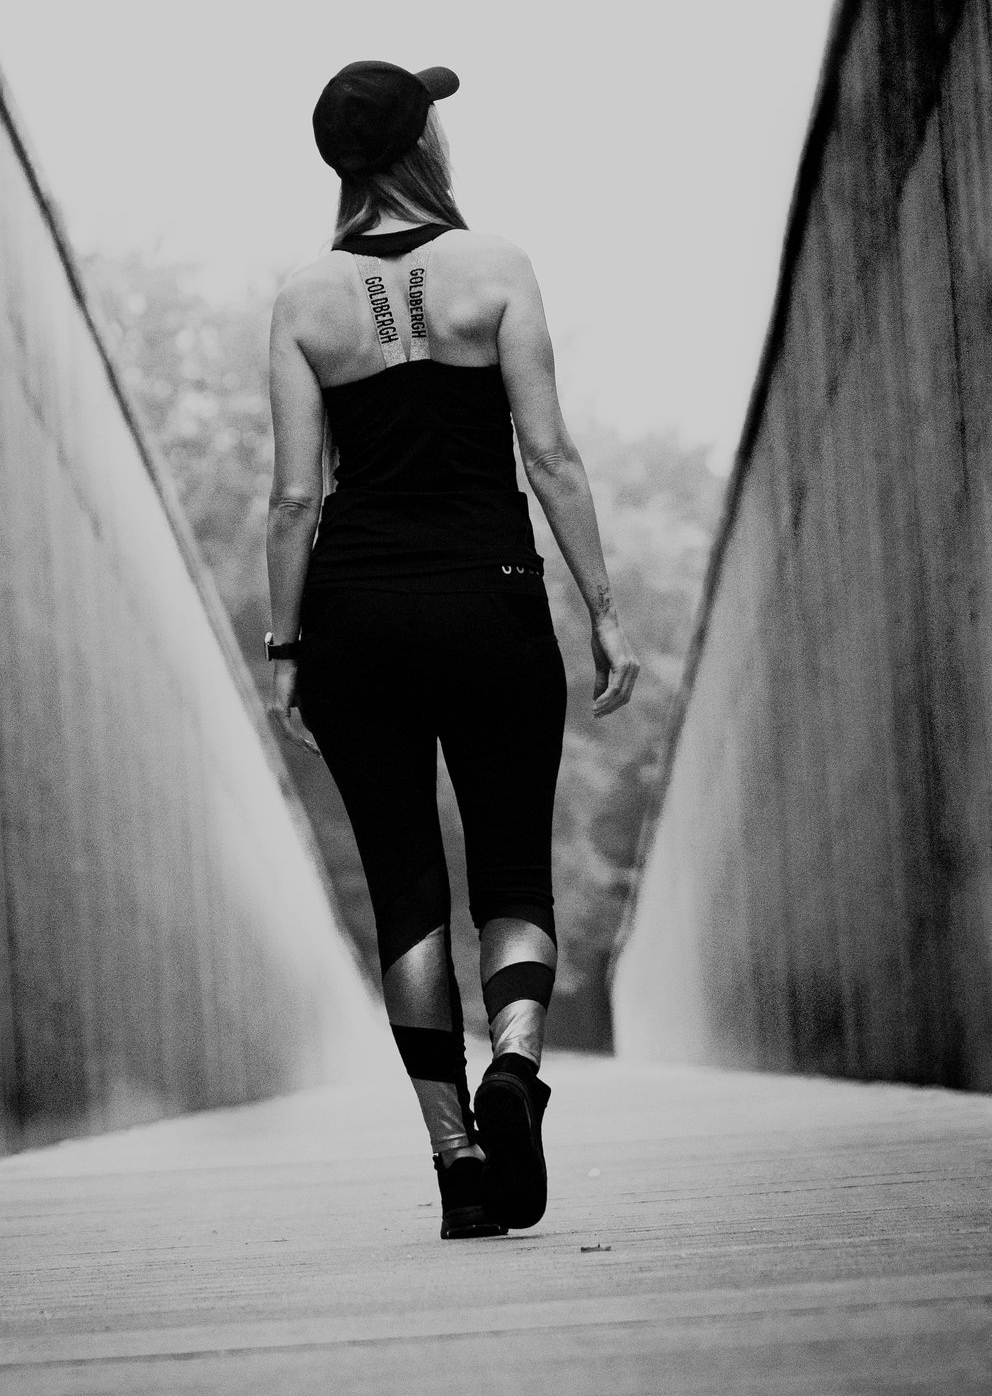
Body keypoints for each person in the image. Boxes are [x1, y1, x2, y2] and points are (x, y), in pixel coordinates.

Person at [266, 60, 638, 1240]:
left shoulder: (303, 299)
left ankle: (458, 1164)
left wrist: (287, 648)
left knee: (406, 893)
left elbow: (293, 498)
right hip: (493, 601)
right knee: (514, 872)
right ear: (424, 142)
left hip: (357, 617)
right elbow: (552, 454)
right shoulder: (496, 269)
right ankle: (514, 1067)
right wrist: (603, 610)